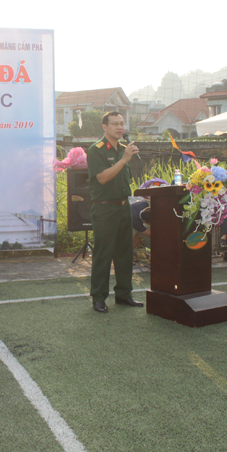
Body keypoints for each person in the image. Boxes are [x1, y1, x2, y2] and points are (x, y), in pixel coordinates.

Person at [87, 111, 143, 313]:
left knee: (125, 253)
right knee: (103, 253)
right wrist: (124, 160)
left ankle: (124, 294)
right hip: (105, 208)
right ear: (105, 127)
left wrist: (125, 157)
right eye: (115, 124)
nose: (120, 127)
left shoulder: (123, 149)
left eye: (122, 123)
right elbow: (102, 178)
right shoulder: (96, 150)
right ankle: (98, 297)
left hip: (123, 206)